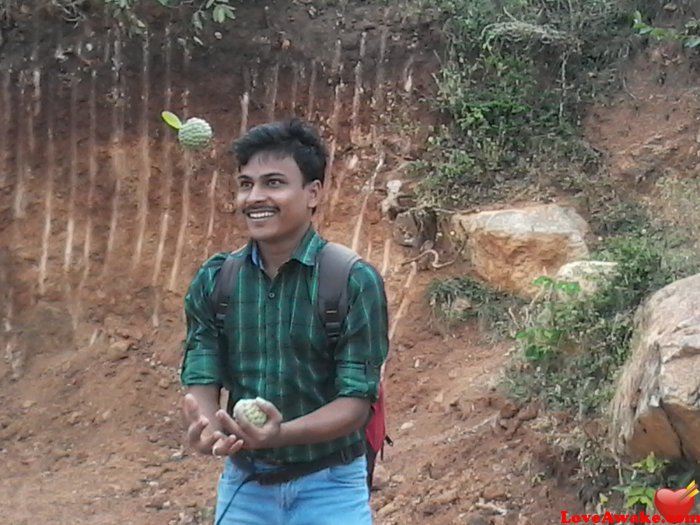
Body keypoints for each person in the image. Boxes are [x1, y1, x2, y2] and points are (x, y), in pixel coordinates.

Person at [180, 118, 390, 525]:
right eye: (246, 184)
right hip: (245, 489)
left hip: (331, 487)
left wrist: (280, 434)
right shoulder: (216, 280)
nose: (255, 197)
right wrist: (208, 425)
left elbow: (355, 403)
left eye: (273, 183)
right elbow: (202, 371)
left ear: (313, 193)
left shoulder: (350, 280)